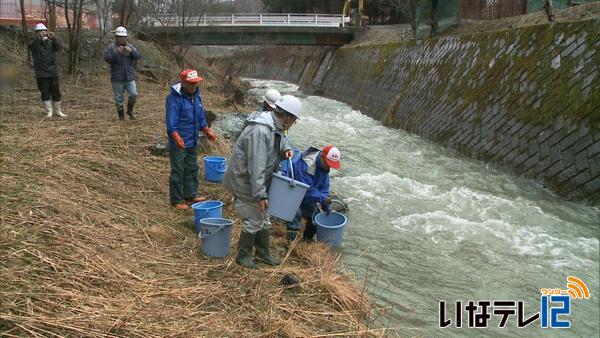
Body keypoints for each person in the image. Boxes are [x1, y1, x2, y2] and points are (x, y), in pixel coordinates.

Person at [223, 95, 301, 268]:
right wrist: (261, 194)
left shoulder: (274, 125)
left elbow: (279, 141)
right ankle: (243, 256)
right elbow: (256, 166)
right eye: (294, 119)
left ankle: (263, 253)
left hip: (256, 181)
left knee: (264, 218)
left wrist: (286, 149)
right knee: (254, 219)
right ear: (287, 117)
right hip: (245, 181)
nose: (293, 123)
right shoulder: (260, 130)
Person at [166, 69, 218, 210]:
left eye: (195, 83)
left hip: (192, 140)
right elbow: (171, 122)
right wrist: (176, 136)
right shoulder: (174, 98)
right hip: (180, 141)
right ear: (183, 82)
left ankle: (190, 196)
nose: (193, 86)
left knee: (191, 168)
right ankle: (177, 201)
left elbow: (200, 116)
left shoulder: (196, 96)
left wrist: (207, 130)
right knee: (178, 171)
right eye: (190, 83)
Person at [286, 145, 341, 242]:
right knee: (295, 217)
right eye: (328, 163)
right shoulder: (305, 165)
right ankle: (290, 244)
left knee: (316, 219)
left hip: (308, 196)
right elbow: (305, 190)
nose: (329, 167)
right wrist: (322, 198)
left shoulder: (324, 168)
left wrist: (326, 206)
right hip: (293, 192)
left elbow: (324, 189)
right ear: (322, 157)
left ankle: (306, 241)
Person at [28, 23, 66, 118]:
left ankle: (58, 111)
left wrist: (53, 38)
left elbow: (59, 48)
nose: (42, 33)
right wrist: (39, 39)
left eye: (44, 31)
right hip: (41, 73)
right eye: (40, 31)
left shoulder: (51, 42)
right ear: (36, 33)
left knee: (56, 92)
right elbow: (31, 46)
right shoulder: (34, 42)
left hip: (52, 72)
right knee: (44, 92)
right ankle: (49, 111)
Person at [104, 26, 141, 120]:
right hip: (117, 77)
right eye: (119, 37)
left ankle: (130, 110)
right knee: (118, 98)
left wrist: (131, 51)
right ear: (116, 37)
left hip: (129, 76)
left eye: (123, 37)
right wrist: (117, 53)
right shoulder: (111, 47)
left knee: (134, 94)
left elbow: (138, 56)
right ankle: (121, 116)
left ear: (126, 37)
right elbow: (107, 59)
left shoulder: (130, 46)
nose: (121, 39)